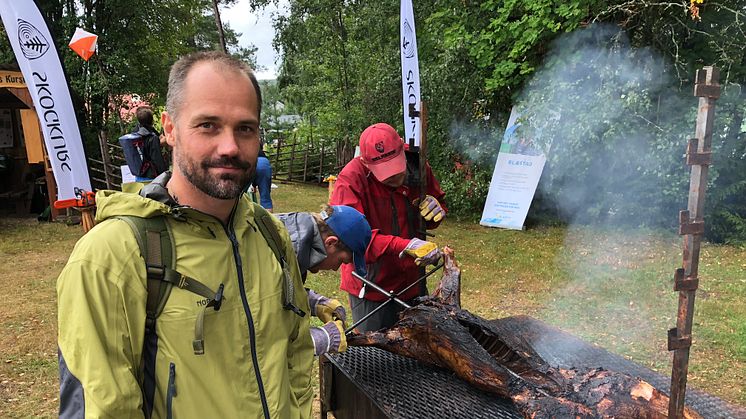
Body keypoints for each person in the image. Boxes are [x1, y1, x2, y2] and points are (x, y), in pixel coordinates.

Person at [57, 51, 313, 418]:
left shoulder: (270, 235)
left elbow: (297, 351)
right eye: (208, 125)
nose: (229, 147)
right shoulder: (110, 257)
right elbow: (102, 408)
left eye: (245, 128)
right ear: (170, 129)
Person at [330, 122, 447, 332]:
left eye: (395, 167)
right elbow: (352, 241)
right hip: (371, 286)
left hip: (413, 281)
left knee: (419, 349)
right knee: (375, 357)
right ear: (365, 163)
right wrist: (405, 245)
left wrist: (437, 209)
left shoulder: (418, 165)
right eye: (384, 172)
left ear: (402, 148)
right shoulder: (350, 181)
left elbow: (432, 213)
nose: (393, 176)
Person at [278, 204, 372, 356]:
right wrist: (319, 339)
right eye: (342, 260)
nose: (336, 268)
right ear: (331, 242)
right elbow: (255, 331)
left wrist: (312, 301)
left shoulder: (295, 241)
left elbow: (276, 293)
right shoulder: (282, 252)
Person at [119, 106, 168, 182]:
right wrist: (165, 175)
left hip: (139, 176)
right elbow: (157, 159)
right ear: (152, 120)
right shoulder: (152, 138)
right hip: (151, 177)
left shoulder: (134, 134)